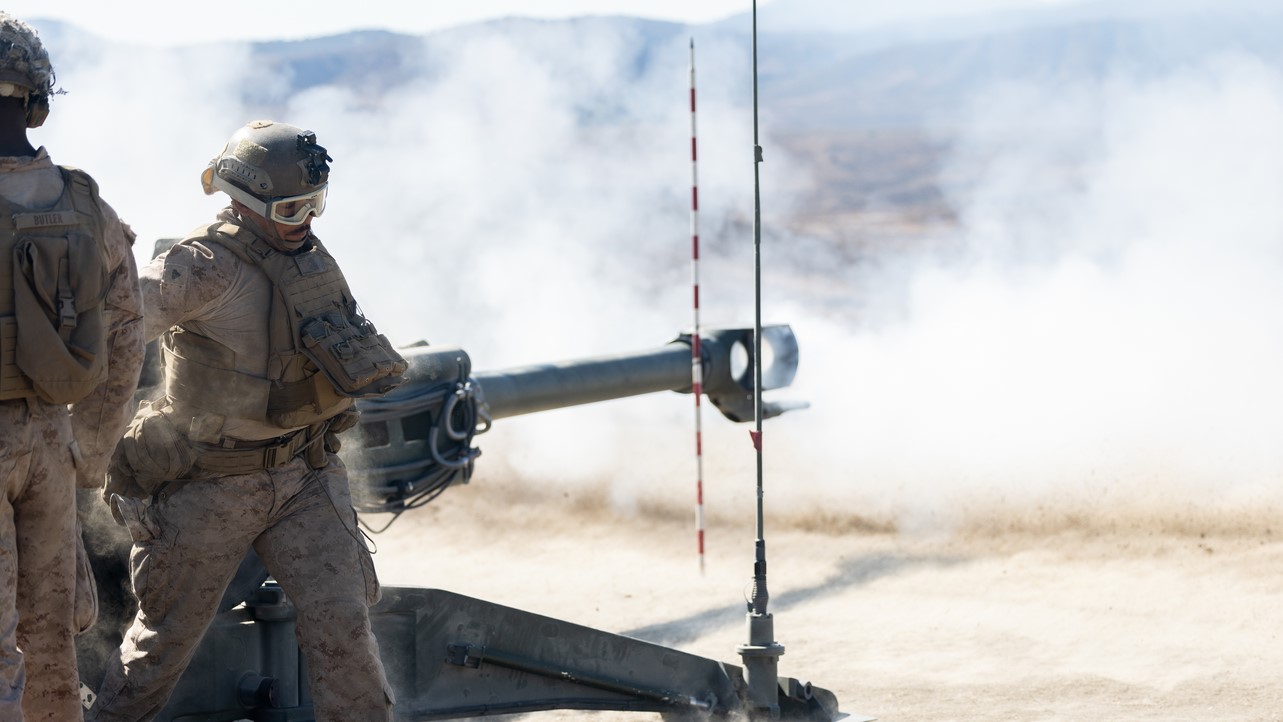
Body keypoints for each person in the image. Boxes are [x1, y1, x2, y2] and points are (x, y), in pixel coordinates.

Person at [89, 119, 406, 722]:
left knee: (346, 634)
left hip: (306, 474)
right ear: (245, 199)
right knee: (160, 649)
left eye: (315, 204)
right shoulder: (200, 265)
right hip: (211, 484)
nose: (307, 220)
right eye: (292, 207)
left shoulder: (306, 256)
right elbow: (111, 331)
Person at [0, 12, 146, 722]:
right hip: (51, 446)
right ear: (37, 99)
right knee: (51, 640)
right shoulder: (87, 204)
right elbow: (126, 338)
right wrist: (87, 451)